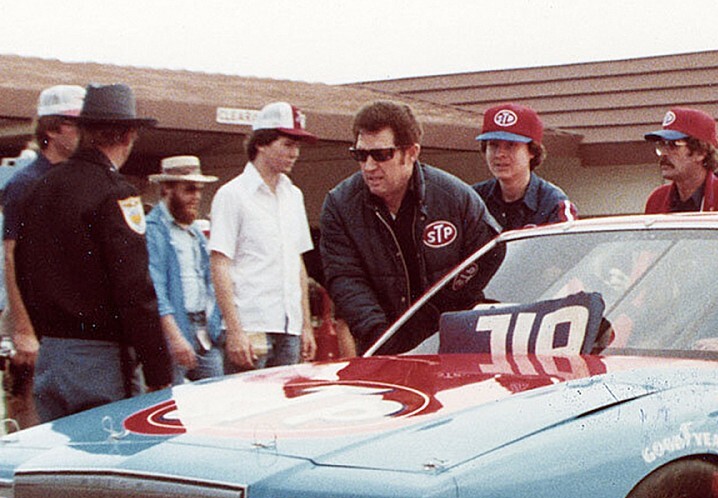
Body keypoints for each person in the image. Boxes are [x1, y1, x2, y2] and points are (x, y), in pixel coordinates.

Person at [13, 83, 171, 421]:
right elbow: (134, 288)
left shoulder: (39, 187)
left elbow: (22, 267)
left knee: (56, 466)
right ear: (129, 134)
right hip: (99, 359)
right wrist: (159, 371)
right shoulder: (116, 192)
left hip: (52, 353)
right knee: (104, 460)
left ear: (85, 131)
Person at [320, 100, 500, 353]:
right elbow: (345, 279)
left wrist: (452, 316)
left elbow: (491, 256)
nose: (369, 166)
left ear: (412, 152)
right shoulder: (340, 205)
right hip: (382, 344)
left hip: (454, 342)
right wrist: (378, 335)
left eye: (382, 155)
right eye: (361, 155)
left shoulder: (455, 198)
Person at [209, 101, 317, 372]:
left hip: (288, 326)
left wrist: (305, 325)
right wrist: (234, 330)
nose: (295, 153)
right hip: (251, 325)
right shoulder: (232, 194)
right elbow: (219, 263)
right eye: (287, 145)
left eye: (297, 146)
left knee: (283, 411)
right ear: (261, 143)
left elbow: (297, 264)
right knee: (246, 408)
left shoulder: (294, 195)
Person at [1, 85, 85, 427]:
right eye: (75, 123)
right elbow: (12, 257)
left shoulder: (74, 180)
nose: (84, 133)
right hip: (34, 323)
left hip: (65, 322)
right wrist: (22, 329)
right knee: (31, 418)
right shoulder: (25, 183)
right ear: (51, 129)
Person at [146, 155, 223, 384]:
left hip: (203, 329)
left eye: (199, 190)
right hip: (176, 329)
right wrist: (174, 337)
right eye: (189, 189)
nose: (196, 196)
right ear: (167, 189)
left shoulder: (194, 231)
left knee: (218, 399)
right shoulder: (153, 230)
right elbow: (155, 290)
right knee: (174, 404)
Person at [472, 103, 577, 230]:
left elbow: (569, 247)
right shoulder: (473, 199)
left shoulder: (553, 203)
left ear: (532, 151)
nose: (500, 154)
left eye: (511, 145)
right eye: (493, 145)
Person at [643, 107, 718, 213]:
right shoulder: (656, 201)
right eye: (662, 145)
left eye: (673, 145)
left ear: (701, 152)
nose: (664, 153)